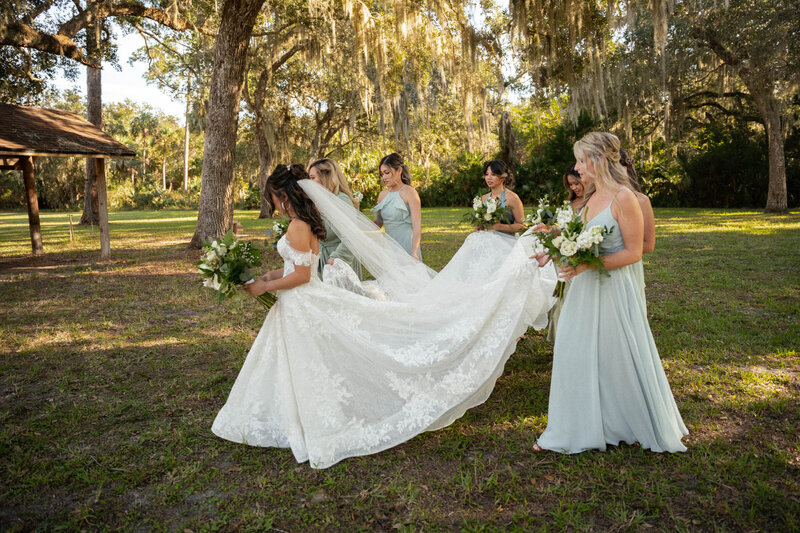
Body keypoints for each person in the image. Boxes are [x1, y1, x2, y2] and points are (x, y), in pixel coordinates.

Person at [212, 164, 556, 469]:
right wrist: (264, 279)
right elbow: (294, 267)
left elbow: (302, 277)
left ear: (283, 195)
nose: (270, 203)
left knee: (318, 361)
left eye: (272, 196)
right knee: (303, 363)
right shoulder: (299, 223)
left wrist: (263, 289)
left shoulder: (299, 226)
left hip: (305, 302)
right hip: (298, 304)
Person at [533, 132, 688, 454]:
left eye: (580, 159)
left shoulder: (624, 197)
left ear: (599, 160)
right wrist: (555, 251)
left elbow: (634, 252)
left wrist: (587, 266)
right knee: (577, 351)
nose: (576, 167)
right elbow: (577, 239)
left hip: (614, 289)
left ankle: (628, 422)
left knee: (617, 355)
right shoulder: (591, 197)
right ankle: (581, 424)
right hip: (585, 288)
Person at [545, 164, 584, 343]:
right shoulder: (569, 204)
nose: (574, 188)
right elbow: (561, 229)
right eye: (570, 185)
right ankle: (562, 339)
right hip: (563, 255)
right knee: (561, 297)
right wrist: (549, 231)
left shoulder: (593, 203)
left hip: (581, 257)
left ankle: (575, 339)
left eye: (577, 183)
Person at [308, 158, 362, 279]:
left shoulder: (341, 200)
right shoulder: (317, 202)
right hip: (322, 260)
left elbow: (352, 236)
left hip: (340, 263)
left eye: (312, 178)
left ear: (325, 177)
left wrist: (337, 258)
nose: (310, 183)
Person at [619, 148, 655, 306]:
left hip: (629, 267)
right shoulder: (596, 199)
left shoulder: (641, 200)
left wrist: (613, 249)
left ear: (623, 170)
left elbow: (648, 245)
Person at [371, 153, 423, 260]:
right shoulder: (382, 195)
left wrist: (414, 252)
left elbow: (417, 226)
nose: (384, 177)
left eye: (387, 173)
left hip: (407, 247)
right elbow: (377, 223)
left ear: (399, 170)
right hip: (389, 248)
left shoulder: (410, 193)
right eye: (382, 174)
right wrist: (355, 222)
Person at [479, 161, 525, 235]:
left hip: (507, 242)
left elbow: (522, 226)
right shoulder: (483, 199)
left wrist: (499, 227)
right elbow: (481, 225)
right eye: (487, 174)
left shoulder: (512, 198)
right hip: (487, 240)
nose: (489, 178)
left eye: (493, 174)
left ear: (503, 177)